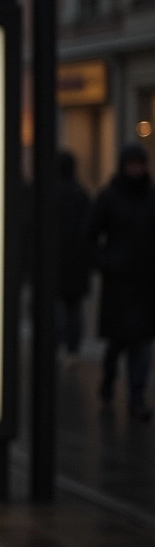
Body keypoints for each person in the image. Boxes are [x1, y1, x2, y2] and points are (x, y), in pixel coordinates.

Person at [86, 144, 155, 422]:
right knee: (118, 343)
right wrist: (106, 263)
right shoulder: (109, 198)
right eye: (132, 165)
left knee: (141, 344)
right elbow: (90, 236)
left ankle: (137, 397)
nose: (136, 170)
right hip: (119, 283)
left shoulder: (150, 198)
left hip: (146, 284)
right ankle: (110, 379)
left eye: (140, 164)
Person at [56, 150, 93, 355]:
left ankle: (59, 344)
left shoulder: (49, 193)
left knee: (57, 308)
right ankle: (72, 347)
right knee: (73, 308)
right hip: (76, 263)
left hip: (55, 262)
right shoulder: (80, 194)